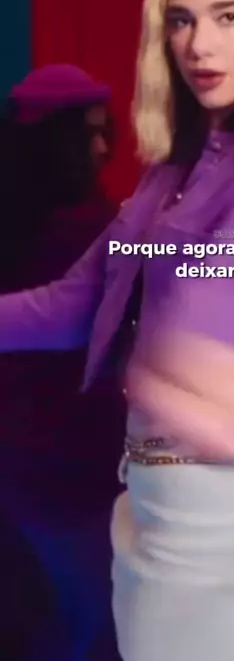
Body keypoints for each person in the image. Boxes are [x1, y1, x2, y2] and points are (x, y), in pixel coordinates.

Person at [0, 0, 234, 661]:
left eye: (229, 17)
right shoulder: (175, 170)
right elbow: (73, 302)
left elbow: (209, 319)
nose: (199, 45)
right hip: (151, 496)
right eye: (182, 21)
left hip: (227, 514)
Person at [0, 65, 124, 660]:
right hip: (66, 461)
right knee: (93, 618)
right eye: (89, 134)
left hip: (26, 460)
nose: (102, 148)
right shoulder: (87, 227)